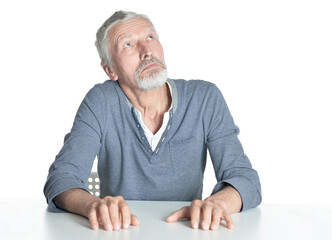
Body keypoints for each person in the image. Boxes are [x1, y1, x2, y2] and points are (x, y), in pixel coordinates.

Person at [43, 10, 262, 231]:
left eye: (150, 38)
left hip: (187, 231)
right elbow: (61, 178)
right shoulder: (101, 101)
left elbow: (245, 179)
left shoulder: (204, 98)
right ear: (110, 70)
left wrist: (216, 204)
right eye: (128, 44)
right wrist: (95, 205)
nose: (147, 51)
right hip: (119, 233)